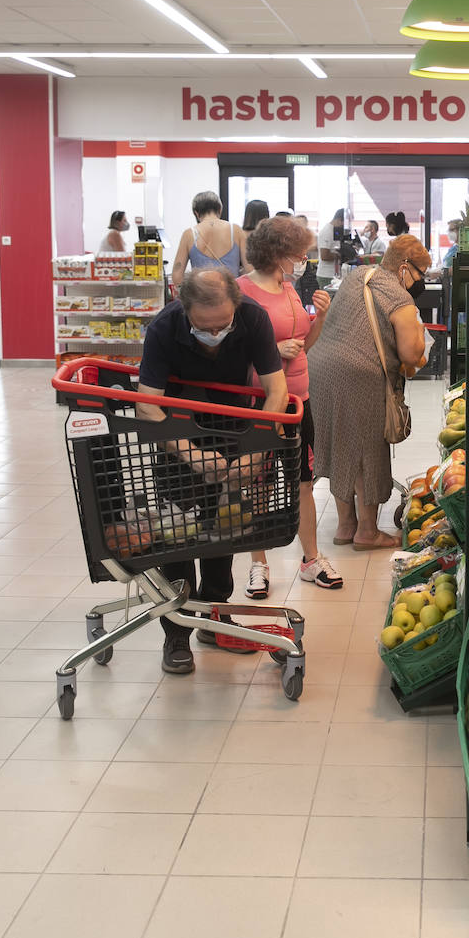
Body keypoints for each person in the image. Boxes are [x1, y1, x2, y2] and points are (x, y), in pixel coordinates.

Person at [135, 268, 287, 675]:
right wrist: (190, 454)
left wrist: (256, 450)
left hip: (231, 431)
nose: (215, 333)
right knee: (178, 538)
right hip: (178, 434)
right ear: (185, 310)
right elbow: (148, 406)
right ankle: (177, 632)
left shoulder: (252, 318)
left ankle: (214, 619)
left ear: (235, 306)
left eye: (223, 325)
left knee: (223, 531)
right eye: (204, 328)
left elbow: (277, 392)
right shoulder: (164, 328)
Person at [237, 217, 341, 595]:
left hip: (300, 400)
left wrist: (322, 317)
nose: (302, 260)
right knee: (257, 482)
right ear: (275, 253)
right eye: (296, 253)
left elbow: (304, 346)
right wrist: (271, 352)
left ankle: (311, 558)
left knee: (303, 482)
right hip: (261, 401)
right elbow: (233, 358)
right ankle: (258, 565)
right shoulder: (242, 293)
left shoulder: (290, 289)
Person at [309, 234, 430, 549]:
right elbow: (409, 354)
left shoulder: (356, 276)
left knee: (340, 444)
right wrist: (421, 343)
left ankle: (345, 527)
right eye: (420, 274)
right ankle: (367, 532)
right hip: (359, 376)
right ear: (404, 268)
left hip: (320, 369)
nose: (421, 282)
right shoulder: (399, 297)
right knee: (366, 450)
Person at [171, 191, 248, 293]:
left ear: (196, 213)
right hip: (231, 297)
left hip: (202, 298)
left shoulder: (189, 234)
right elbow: (249, 268)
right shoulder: (236, 230)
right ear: (220, 209)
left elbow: (177, 275)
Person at [316, 207, 346, 287]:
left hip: (334, 275)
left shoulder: (335, 230)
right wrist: (341, 255)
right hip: (326, 276)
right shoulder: (327, 231)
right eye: (344, 223)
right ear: (339, 220)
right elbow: (324, 256)